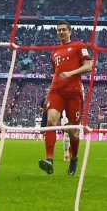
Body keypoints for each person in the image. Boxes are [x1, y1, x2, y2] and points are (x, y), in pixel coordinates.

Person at [38, 21, 92, 176]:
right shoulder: (54, 53)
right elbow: (56, 74)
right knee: (51, 122)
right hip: (56, 92)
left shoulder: (78, 46)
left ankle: (74, 158)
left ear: (70, 31)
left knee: (73, 132)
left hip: (74, 93)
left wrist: (71, 73)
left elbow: (88, 66)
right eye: (58, 30)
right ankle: (49, 159)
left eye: (63, 30)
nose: (60, 32)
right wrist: (49, 94)